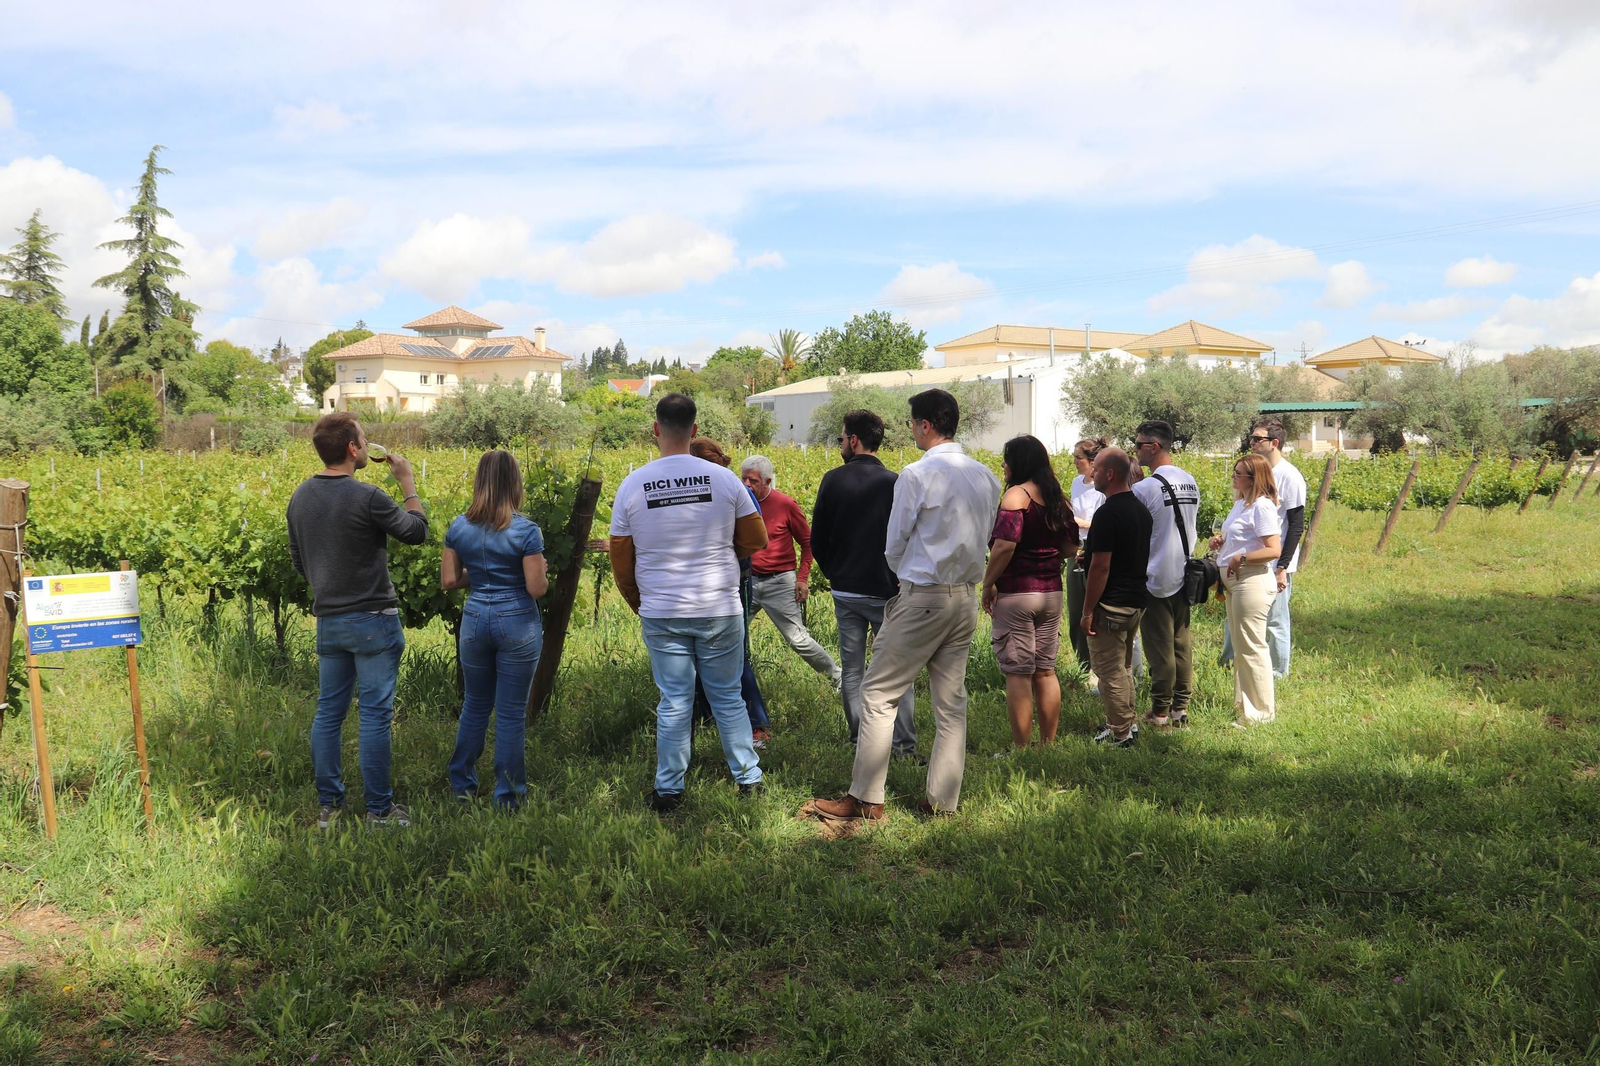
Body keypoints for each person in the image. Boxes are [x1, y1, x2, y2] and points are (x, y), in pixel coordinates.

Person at [808, 389, 1001, 821]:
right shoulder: (986, 476)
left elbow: (894, 544)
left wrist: (908, 580)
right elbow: (986, 536)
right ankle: (942, 802)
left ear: (926, 425)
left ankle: (865, 799)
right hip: (964, 597)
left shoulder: (917, 474)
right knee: (950, 704)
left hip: (924, 594)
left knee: (878, 694)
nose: (912, 430)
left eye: (913, 423)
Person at [609, 394, 768, 811]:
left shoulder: (633, 484)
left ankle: (668, 790)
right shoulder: (725, 480)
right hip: (719, 606)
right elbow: (757, 539)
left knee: (675, 702)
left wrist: (639, 600)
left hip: (662, 610)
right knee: (728, 696)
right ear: (695, 430)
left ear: (655, 430)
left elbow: (621, 557)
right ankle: (749, 779)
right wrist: (724, 554)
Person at [286, 412, 428, 829]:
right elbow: (416, 532)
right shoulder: (368, 497)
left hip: (329, 622)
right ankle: (379, 811)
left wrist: (328, 588)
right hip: (373, 622)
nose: (367, 445)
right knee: (374, 716)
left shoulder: (300, 497)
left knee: (328, 713)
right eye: (364, 439)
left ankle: (329, 809)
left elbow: (298, 560)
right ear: (352, 448)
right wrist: (407, 483)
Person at [439, 450, 547, 810]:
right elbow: (536, 588)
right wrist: (541, 570)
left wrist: (482, 573)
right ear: (514, 482)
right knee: (511, 712)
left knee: (474, 704)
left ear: (479, 481)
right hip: (517, 619)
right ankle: (509, 796)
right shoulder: (526, 530)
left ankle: (462, 786)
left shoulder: (459, 526)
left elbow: (449, 580)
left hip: (475, 619)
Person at [810, 410, 918, 759]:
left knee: (853, 668)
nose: (840, 444)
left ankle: (860, 738)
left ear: (854, 440)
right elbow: (908, 537)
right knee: (898, 668)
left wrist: (835, 572)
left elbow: (817, 538)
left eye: (841, 438)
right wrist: (898, 577)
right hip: (887, 591)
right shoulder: (894, 482)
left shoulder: (832, 480)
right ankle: (903, 745)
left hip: (845, 590)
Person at [980, 435, 1076, 748]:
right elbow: (1070, 548)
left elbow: (1005, 547)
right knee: (1045, 671)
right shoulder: (1057, 498)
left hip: (1017, 593)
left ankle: (1022, 749)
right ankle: (1047, 744)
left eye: (1007, 459)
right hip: (1051, 594)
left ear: (1019, 462)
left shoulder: (1016, 497)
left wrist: (988, 583)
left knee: (1018, 673)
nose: (1003, 464)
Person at [688, 436, 772, 743]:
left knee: (735, 654)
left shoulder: (736, 489)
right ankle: (707, 716)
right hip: (701, 583)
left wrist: (724, 555)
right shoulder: (695, 491)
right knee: (698, 653)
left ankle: (756, 724)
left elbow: (756, 538)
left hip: (734, 581)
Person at [741, 455, 843, 688]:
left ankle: (839, 678)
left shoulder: (785, 505)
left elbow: (808, 543)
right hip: (747, 582)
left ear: (767, 481)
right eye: (743, 478)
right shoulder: (739, 503)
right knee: (732, 634)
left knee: (798, 639)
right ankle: (731, 686)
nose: (747, 484)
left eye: (753, 480)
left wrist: (803, 578)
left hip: (779, 583)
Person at [1219, 420, 1307, 677]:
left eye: (1258, 439)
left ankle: (1278, 672)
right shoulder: (1252, 473)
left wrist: (1283, 566)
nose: (1252, 442)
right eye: (1252, 438)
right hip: (1248, 562)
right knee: (1237, 617)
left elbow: (1295, 525)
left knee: (1276, 619)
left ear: (1274, 443)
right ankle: (1230, 664)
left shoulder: (1289, 476)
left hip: (1273, 560)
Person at [1078, 447, 1152, 747]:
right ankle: (1126, 724)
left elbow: (1101, 567)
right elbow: (1124, 553)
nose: (1091, 473)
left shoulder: (1107, 513)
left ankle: (1121, 733)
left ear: (1110, 474)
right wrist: (1089, 557)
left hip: (1111, 604)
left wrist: (1087, 611)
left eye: (1095, 469)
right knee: (1123, 667)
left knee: (1109, 671)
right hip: (1136, 599)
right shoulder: (1140, 510)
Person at [1131, 420, 1200, 729]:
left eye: (1138, 445)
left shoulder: (1144, 488)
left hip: (1154, 575)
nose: (1135, 450)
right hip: (1186, 572)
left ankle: (1159, 711)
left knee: (1159, 647)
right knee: (1181, 644)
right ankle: (1180, 709)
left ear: (1153, 446)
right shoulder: (1190, 480)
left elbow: (1135, 535)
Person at [1211, 452, 1282, 727]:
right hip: (1235, 582)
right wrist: (1222, 543)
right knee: (1241, 647)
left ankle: (1261, 713)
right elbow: (1243, 539)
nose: (1233, 477)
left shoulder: (1262, 507)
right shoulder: (1241, 503)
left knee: (1252, 647)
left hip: (1251, 581)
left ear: (1253, 479)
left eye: (1238, 473)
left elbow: (1273, 549)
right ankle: (1244, 705)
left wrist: (1240, 557)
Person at [1066, 437, 1108, 684]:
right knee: (1075, 610)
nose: (1074, 462)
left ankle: (1099, 667)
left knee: (1095, 611)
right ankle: (1083, 666)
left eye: (1078, 457)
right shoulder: (1076, 483)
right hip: (1076, 549)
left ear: (1092, 462)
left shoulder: (1102, 487)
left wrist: (1080, 523)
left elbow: (1104, 522)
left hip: (1095, 550)